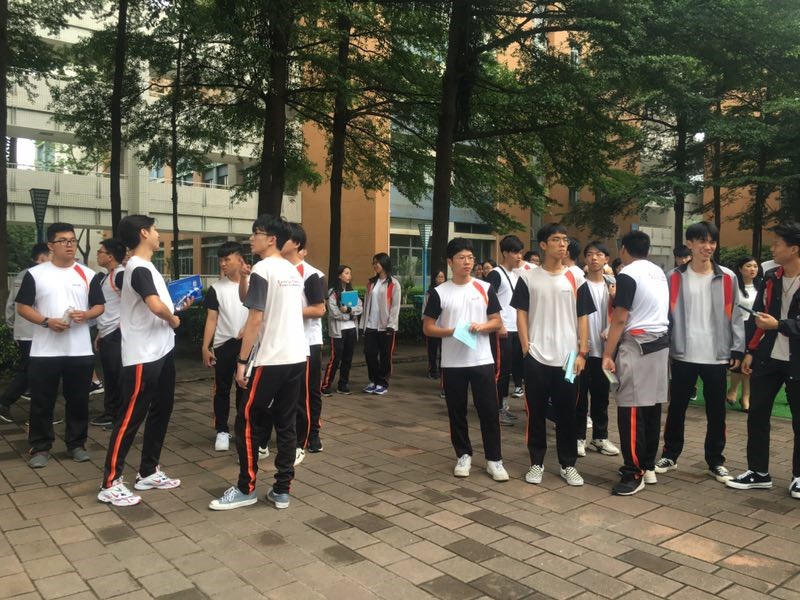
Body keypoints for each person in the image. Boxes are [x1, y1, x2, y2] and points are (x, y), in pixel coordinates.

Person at [209, 214, 307, 511]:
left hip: (271, 359)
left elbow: (254, 318)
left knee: (248, 419)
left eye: (257, 233)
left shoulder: (264, 269)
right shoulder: (292, 271)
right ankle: (282, 490)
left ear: (271, 239)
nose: (251, 238)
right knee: (286, 423)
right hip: (296, 356)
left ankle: (246, 488)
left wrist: (242, 361)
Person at [98, 215, 181, 506]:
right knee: (130, 417)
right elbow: (155, 306)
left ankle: (148, 471)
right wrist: (173, 319)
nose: (158, 234)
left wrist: (174, 309)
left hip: (162, 350)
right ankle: (110, 483)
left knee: (161, 410)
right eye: (155, 229)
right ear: (144, 233)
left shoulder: (146, 267)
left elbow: (158, 304)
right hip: (143, 356)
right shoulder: (137, 267)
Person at [655, 222, 745, 483]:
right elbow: (664, 314)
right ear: (690, 244)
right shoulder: (673, 277)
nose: (708, 247)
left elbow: (736, 315)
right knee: (677, 408)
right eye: (703, 241)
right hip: (682, 353)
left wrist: (737, 347)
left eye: (712, 242)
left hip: (716, 354)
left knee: (717, 411)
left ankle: (715, 460)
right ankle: (670, 454)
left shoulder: (727, 277)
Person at [511, 223, 595, 487]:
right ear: (543, 245)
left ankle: (568, 465)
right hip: (536, 356)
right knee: (535, 412)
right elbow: (521, 314)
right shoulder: (528, 278)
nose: (562, 244)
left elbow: (583, 317)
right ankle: (536, 462)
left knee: (567, 413)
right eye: (556, 239)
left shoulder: (576, 278)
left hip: (569, 359)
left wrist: (582, 352)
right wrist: (526, 348)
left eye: (565, 239)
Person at [15, 224, 105, 468]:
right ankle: (40, 447)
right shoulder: (36, 274)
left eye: (72, 240)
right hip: (45, 351)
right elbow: (22, 307)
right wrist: (46, 321)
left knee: (78, 400)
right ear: (50, 245)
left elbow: (99, 306)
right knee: (42, 401)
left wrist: (86, 314)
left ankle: (76, 444)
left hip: (80, 350)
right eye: (63, 240)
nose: (69, 245)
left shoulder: (88, 274)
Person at [423, 238, 508, 482]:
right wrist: (451, 331)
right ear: (450, 262)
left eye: (470, 257)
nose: (467, 262)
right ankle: (463, 454)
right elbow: (428, 327)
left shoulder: (484, 287)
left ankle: (494, 459)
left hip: (482, 360)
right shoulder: (440, 292)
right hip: (453, 363)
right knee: (456, 412)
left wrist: (482, 326)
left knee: (489, 411)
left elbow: (497, 321)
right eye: (461, 258)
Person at [727, 223, 800, 499]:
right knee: (757, 414)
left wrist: (778, 325)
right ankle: (758, 472)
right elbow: (759, 315)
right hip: (768, 358)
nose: (773, 248)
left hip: (796, 360)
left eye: (778, 244)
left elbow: (776, 322)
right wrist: (751, 350)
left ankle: (798, 476)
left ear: (794, 249)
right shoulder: (771, 277)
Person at [602, 230, 670, 495]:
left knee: (630, 409)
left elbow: (620, 317)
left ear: (623, 250)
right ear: (648, 250)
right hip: (660, 344)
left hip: (637, 345)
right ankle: (647, 465)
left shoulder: (628, 274)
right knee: (651, 407)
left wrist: (608, 353)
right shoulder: (658, 272)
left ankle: (633, 472)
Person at [282, 223, 325, 462]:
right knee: (289, 393)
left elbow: (319, 309)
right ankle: (293, 434)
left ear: (297, 244)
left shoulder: (310, 274)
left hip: (308, 343)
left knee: (308, 393)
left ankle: (309, 435)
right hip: (284, 342)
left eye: (285, 238)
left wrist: (288, 312)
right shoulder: (277, 270)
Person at [202, 242, 250, 452]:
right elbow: (212, 319)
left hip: (247, 344)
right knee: (221, 389)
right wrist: (206, 347)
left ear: (240, 260)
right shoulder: (216, 288)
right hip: (223, 344)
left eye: (227, 259)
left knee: (244, 388)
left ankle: (242, 427)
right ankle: (221, 430)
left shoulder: (254, 283)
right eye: (220, 260)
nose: (222, 264)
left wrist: (249, 329)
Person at [577, 241, 620, 458]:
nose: (594, 258)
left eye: (599, 254)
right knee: (579, 396)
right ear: (585, 259)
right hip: (581, 351)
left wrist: (614, 297)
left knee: (602, 396)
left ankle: (600, 437)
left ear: (606, 259)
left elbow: (623, 314)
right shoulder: (578, 284)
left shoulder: (613, 285)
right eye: (590, 254)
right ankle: (578, 437)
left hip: (605, 351)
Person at [0, 243, 50, 423]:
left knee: (30, 370)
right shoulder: (42, 276)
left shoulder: (21, 275)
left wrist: (13, 327)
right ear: (43, 257)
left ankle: (37, 412)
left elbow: (11, 305)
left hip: (23, 332)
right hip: (37, 331)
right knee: (33, 372)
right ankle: (6, 403)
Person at [484, 235, 525, 425]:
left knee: (509, 371)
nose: (519, 256)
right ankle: (495, 409)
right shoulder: (496, 274)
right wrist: (499, 324)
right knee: (501, 371)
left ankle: (502, 405)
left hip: (516, 330)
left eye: (520, 252)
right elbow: (488, 300)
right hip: (503, 330)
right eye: (515, 252)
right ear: (505, 253)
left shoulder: (516, 275)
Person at [89, 238, 127, 427]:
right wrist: (100, 333)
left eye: (100, 252)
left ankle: (119, 416)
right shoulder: (108, 276)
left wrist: (121, 325)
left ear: (110, 256)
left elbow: (135, 302)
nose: (98, 255)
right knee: (110, 377)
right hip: (106, 334)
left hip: (116, 335)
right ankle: (111, 413)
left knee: (117, 377)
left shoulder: (120, 275)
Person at [362, 253, 401, 395]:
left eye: (377, 263)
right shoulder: (371, 283)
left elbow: (395, 306)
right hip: (370, 325)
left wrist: (391, 325)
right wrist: (363, 324)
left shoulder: (394, 284)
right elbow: (366, 305)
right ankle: (373, 380)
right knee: (370, 354)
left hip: (386, 327)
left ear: (384, 263)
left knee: (385, 356)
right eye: (373, 263)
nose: (374, 265)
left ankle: (382, 383)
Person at [726, 256, 762, 411]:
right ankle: (733, 389)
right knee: (738, 359)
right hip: (738, 327)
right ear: (740, 269)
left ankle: (746, 396)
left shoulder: (761, 286)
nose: (752, 269)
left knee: (750, 362)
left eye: (755, 266)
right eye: (748, 266)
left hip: (756, 327)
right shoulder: (734, 287)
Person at [322, 265, 363, 397]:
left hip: (351, 329)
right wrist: (349, 315)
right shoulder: (333, 293)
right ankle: (325, 385)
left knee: (347, 359)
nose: (349, 276)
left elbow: (360, 307)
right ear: (339, 275)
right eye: (346, 273)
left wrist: (349, 311)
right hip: (338, 331)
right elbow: (334, 312)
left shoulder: (351, 292)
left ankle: (343, 385)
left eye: (350, 273)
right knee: (335, 358)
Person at [422, 270, 446, 380]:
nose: (440, 279)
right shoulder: (429, 293)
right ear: (434, 279)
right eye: (438, 277)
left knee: (444, 350)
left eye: (442, 277)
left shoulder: (448, 292)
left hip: (444, 327)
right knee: (432, 350)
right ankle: (432, 370)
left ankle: (442, 370)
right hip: (432, 327)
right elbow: (424, 311)